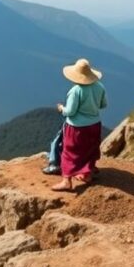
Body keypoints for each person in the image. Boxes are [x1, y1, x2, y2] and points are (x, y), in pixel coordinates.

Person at [51, 58, 107, 191]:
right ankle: (87, 174)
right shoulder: (100, 87)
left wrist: (61, 108)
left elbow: (70, 112)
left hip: (76, 128)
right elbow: (103, 105)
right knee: (89, 149)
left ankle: (66, 181)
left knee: (69, 152)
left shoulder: (76, 90)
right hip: (95, 125)